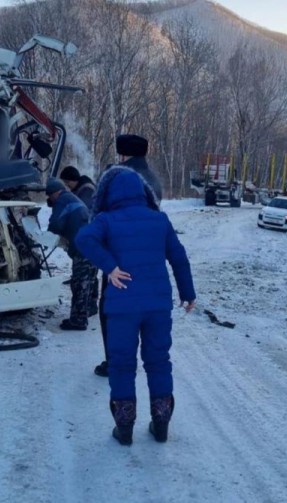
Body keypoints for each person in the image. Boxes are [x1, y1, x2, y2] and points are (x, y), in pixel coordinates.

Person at [76, 166, 196, 445]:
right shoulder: (159, 220)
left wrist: (109, 267)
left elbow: (83, 239)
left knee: (121, 365)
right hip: (157, 306)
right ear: (144, 192)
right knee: (158, 361)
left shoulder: (106, 219)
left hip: (121, 308)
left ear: (110, 193)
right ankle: (161, 424)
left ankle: (125, 429)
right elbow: (179, 258)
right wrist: (187, 292)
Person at [93, 134, 164, 378]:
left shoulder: (117, 176)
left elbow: (102, 215)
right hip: (148, 259)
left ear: (123, 154)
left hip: (119, 258)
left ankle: (116, 363)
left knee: (112, 312)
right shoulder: (154, 179)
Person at [46, 178, 98, 330]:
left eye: (50, 196)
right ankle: (91, 307)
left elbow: (56, 224)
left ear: (56, 192)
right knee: (90, 278)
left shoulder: (63, 200)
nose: (49, 200)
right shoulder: (73, 198)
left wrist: (47, 235)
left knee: (79, 282)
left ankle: (78, 320)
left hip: (83, 246)